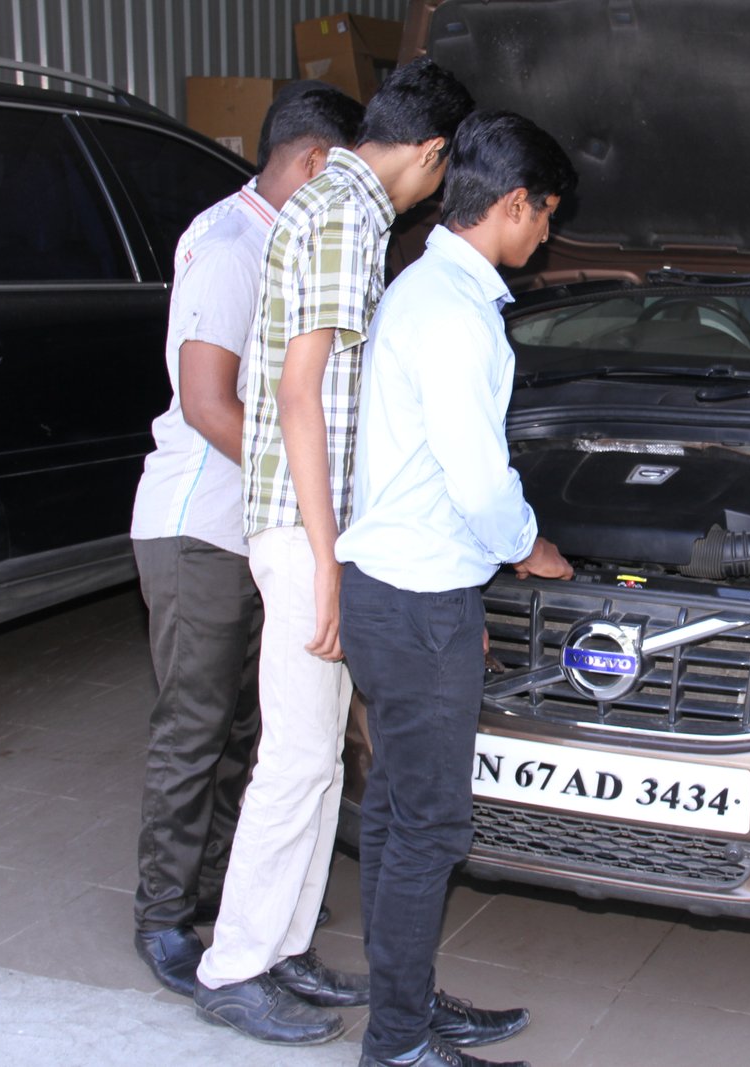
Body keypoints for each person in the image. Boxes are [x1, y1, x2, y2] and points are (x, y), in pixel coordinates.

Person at [191, 58, 475, 1046]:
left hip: (311, 524)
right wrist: (324, 556)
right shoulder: (349, 216)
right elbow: (302, 394)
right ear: (434, 155)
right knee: (299, 756)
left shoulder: (334, 205)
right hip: (302, 527)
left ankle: (280, 948)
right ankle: (234, 964)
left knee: (313, 762)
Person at [335, 109, 579, 1067]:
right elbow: (478, 480)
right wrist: (530, 547)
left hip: (398, 592)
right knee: (427, 823)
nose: (546, 237)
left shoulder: (427, 288)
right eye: (545, 216)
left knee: (398, 813)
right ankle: (397, 1043)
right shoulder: (454, 314)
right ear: (513, 203)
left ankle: (408, 1000)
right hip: (415, 600)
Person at [128, 85, 363, 997]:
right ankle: (161, 915)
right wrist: (311, 505)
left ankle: (232, 897)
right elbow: (206, 401)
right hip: (201, 526)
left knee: (250, 729)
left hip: (256, 525)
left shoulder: (281, 237)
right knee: (194, 726)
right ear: (312, 163)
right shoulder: (232, 245)